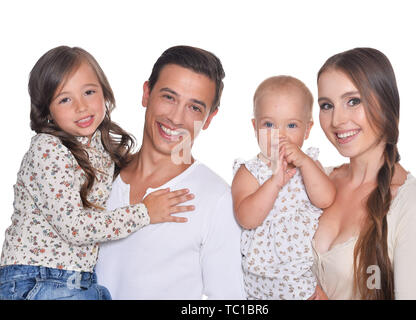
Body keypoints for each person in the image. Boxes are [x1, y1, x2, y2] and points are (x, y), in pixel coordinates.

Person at [0, 46, 194, 300]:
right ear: (48, 111)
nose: (81, 107)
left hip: (75, 280)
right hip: (37, 278)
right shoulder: (47, 148)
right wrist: (145, 212)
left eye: (89, 92)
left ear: (105, 93)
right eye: (65, 99)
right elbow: (74, 228)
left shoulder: (99, 149)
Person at [95, 45, 245, 299]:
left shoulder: (216, 199)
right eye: (169, 97)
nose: (176, 118)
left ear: (209, 118)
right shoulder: (99, 177)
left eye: (194, 107)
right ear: (147, 93)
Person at [311, 47, 416, 300]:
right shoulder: (314, 181)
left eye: (353, 101)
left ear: (385, 101)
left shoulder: (415, 207)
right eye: (326, 105)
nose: (337, 120)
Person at [231, 76, 336, 299]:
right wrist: (274, 183)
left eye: (291, 125)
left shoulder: (309, 166)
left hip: (301, 276)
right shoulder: (249, 171)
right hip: (261, 280)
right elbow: (247, 218)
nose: (280, 135)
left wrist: (305, 162)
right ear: (255, 127)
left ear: (307, 130)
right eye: (269, 124)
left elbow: (326, 199)